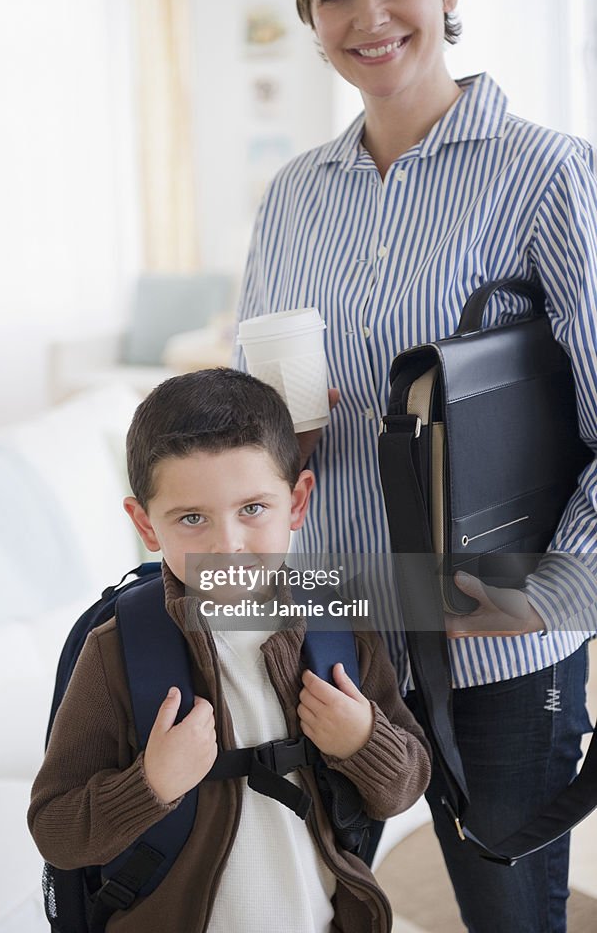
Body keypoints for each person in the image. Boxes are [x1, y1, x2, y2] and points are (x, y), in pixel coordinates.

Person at [234, 0, 597, 931]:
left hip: (496, 655)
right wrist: (265, 445)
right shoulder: (294, 197)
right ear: (309, 16)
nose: (369, 15)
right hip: (335, 634)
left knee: (509, 914)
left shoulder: (547, 174)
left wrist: (542, 597)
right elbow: (241, 402)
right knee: (310, 903)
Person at [28, 368, 431, 933]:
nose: (228, 545)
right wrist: (151, 784)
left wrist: (364, 741)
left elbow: (405, 788)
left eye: (252, 509)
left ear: (296, 502)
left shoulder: (338, 625)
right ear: (145, 524)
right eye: (191, 518)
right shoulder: (116, 651)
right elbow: (56, 830)